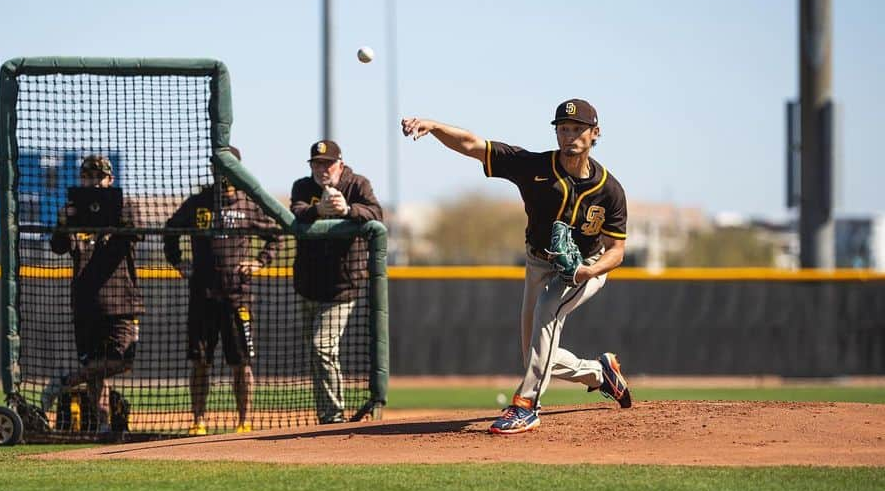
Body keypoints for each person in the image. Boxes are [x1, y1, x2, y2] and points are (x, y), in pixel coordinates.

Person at [401, 99, 633, 434]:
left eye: (578, 129)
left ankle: (527, 405)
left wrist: (587, 272)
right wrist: (435, 127)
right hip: (539, 262)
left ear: (595, 134)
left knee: (547, 311)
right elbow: (472, 145)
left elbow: (617, 250)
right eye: (563, 129)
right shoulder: (532, 166)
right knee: (535, 355)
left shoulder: (610, 191)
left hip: (585, 266)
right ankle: (600, 373)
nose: (569, 135)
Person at [165, 147, 282, 436]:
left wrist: (259, 262)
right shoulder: (198, 203)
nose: (222, 174)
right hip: (202, 295)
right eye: (218, 168)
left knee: (241, 363)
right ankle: (198, 421)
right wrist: (179, 262)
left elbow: (277, 236)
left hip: (237, 297)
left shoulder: (250, 204)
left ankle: (244, 421)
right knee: (200, 362)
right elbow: (169, 230)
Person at [42, 155, 143, 440]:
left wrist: (105, 216)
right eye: (87, 177)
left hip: (121, 299)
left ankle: (65, 381)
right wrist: (67, 221)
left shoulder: (125, 206)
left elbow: (135, 233)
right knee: (95, 370)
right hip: (86, 303)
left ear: (110, 180)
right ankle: (103, 425)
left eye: (99, 177)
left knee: (124, 359)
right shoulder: (72, 212)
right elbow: (58, 247)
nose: (94, 182)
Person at [290, 140, 384, 424]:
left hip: (343, 287)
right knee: (316, 353)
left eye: (327, 164)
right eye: (317, 164)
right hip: (308, 285)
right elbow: (295, 211)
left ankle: (333, 417)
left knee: (322, 347)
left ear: (340, 165)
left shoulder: (358, 185)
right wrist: (318, 211)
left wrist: (347, 210)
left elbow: (377, 214)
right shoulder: (303, 187)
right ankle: (326, 414)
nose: (322, 169)